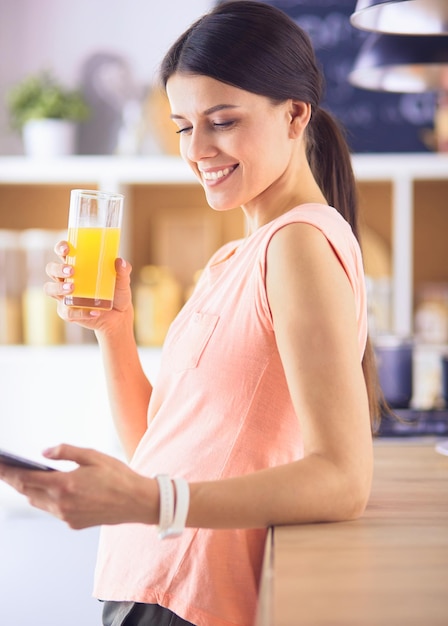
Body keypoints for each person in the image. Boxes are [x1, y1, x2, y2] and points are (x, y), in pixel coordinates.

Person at [0, 2, 382, 625]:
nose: (197, 149)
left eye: (222, 121)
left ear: (295, 114)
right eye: (182, 127)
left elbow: (343, 480)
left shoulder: (300, 246)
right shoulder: (237, 256)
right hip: (148, 583)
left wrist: (151, 500)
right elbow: (157, 446)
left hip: (192, 594)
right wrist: (114, 331)